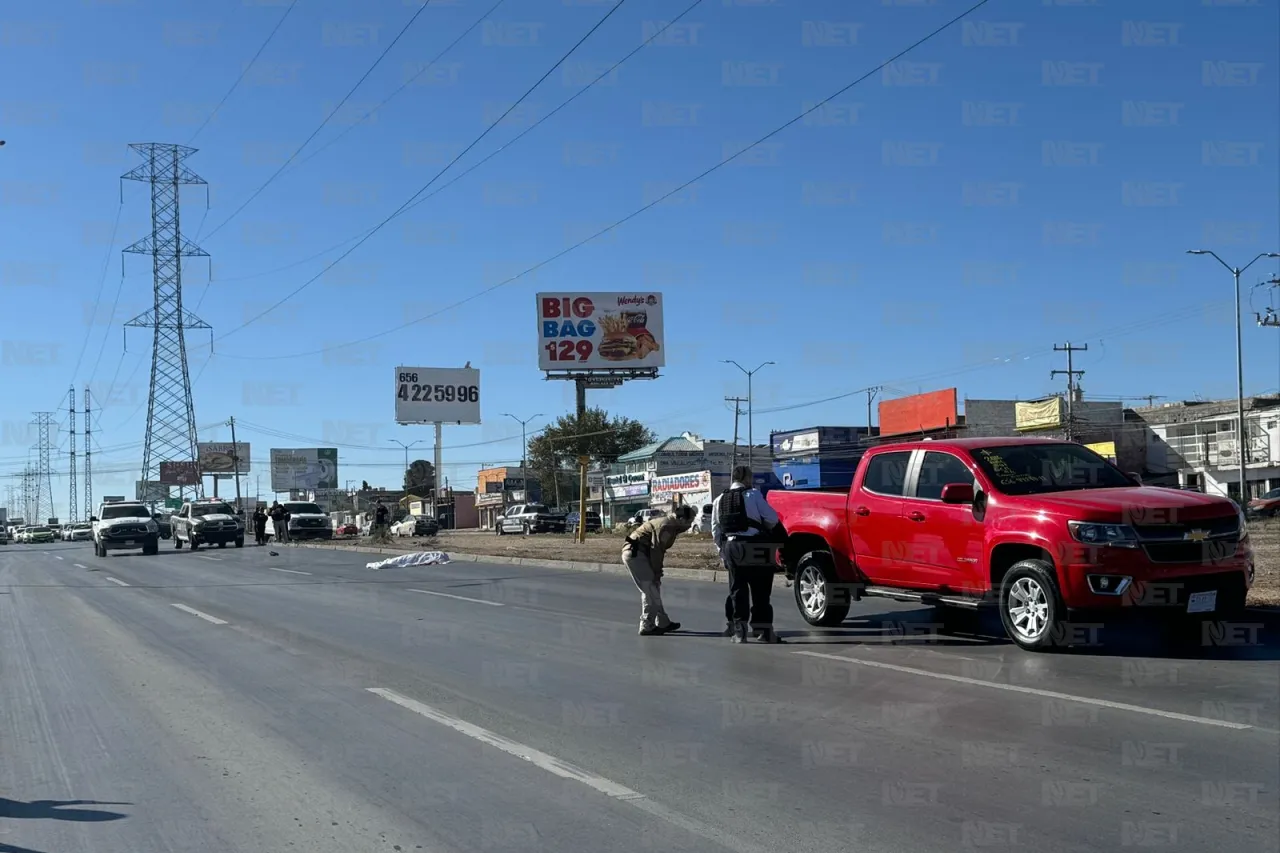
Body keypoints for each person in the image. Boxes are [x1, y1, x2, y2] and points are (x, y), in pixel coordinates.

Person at [712, 465, 783, 644]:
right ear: (746, 478)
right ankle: (764, 632)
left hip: (731, 547)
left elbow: (716, 530)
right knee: (761, 592)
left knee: (737, 591)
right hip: (755, 547)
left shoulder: (719, 499)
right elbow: (772, 519)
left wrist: (722, 552)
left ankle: (739, 633)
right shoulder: (753, 495)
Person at [622, 504, 696, 636]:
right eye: (690, 521)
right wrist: (657, 572)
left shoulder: (670, 524)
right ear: (682, 519)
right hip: (636, 554)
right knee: (650, 589)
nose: (690, 525)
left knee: (653, 589)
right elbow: (656, 550)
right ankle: (646, 624)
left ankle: (662, 621)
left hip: (637, 552)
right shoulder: (667, 526)